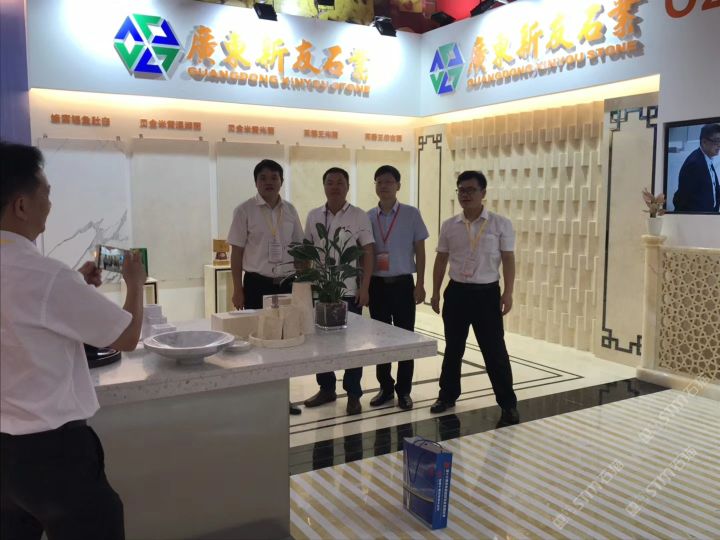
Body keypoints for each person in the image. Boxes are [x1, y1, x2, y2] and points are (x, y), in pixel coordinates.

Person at [1, 141, 146, 540]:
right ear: (21, 205)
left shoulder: (47, 279)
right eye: (45, 193)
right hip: (52, 454)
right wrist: (135, 283)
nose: (50, 204)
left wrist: (75, 286)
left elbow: (22, 321)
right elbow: (127, 336)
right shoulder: (45, 275)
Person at [429, 170, 519, 426]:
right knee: (453, 348)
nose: (465, 195)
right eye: (461, 190)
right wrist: (435, 291)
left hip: (486, 294)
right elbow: (441, 259)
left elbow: (508, 259)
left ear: (483, 193)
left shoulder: (500, 224)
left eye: (471, 190)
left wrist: (508, 292)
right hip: (456, 293)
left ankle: (508, 404)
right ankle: (447, 396)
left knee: (494, 351)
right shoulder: (450, 225)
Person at [227, 159, 305, 415]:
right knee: (257, 339)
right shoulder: (244, 211)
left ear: (281, 181)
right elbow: (237, 253)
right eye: (263, 178)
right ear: (256, 182)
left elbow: (300, 249)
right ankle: (258, 396)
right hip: (256, 284)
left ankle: (283, 397)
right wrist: (237, 289)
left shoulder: (290, 210)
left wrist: (304, 285)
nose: (269, 182)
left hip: (286, 283)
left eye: (274, 177)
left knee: (285, 339)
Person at [302, 167, 374, 415]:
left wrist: (365, 287)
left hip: (348, 290)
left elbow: (368, 252)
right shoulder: (313, 216)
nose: (335, 186)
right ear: (324, 186)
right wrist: (306, 284)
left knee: (353, 343)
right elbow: (306, 251)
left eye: (340, 182)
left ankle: (353, 393)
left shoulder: (358, 216)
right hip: (321, 291)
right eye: (330, 182)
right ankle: (326, 388)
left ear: (347, 187)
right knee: (321, 343)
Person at [366, 165, 429, 411]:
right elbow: (364, 255)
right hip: (377, 285)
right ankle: (385, 387)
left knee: (406, 337)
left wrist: (420, 283)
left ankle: (404, 391)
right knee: (380, 339)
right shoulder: (368, 217)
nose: (384, 186)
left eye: (389, 182)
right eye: (379, 182)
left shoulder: (411, 214)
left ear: (398, 186)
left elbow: (421, 251)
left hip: (403, 284)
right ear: (375, 186)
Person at [673, 123, 720, 213]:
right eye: (716, 141)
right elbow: (682, 198)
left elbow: (708, 188)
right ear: (704, 142)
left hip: (708, 216)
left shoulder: (706, 158)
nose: (719, 145)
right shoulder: (694, 164)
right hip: (697, 218)